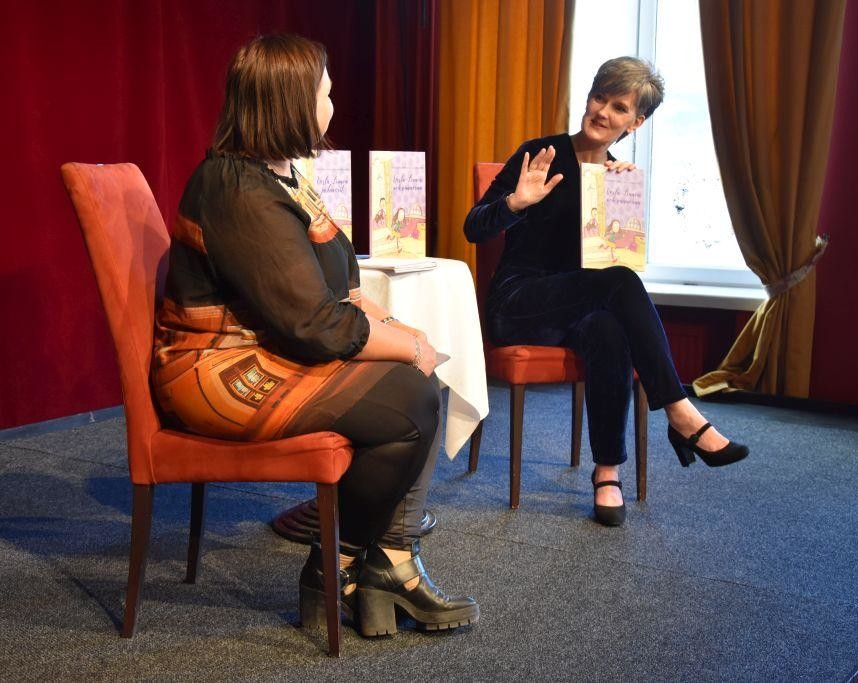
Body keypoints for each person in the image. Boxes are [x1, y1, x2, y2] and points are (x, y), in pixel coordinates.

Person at [151, 34, 478, 636]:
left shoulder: (280, 174)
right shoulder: (236, 189)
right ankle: (336, 567)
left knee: (422, 382)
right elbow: (314, 324)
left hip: (265, 346)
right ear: (289, 101)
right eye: (325, 93)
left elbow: (334, 285)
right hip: (216, 372)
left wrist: (395, 328)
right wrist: (403, 343)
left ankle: (394, 562)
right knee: (410, 400)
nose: (333, 104)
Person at [463, 57, 749, 527]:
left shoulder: (619, 178)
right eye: (600, 97)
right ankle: (679, 410)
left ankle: (607, 470)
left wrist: (618, 210)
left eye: (618, 107)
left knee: (609, 327)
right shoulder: (539, 154)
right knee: (618, 285)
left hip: (577, 307)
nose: (602, 111)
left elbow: (612, 264)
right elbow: (474, 228)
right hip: (518, 304)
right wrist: (517, 201)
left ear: (635, 123)